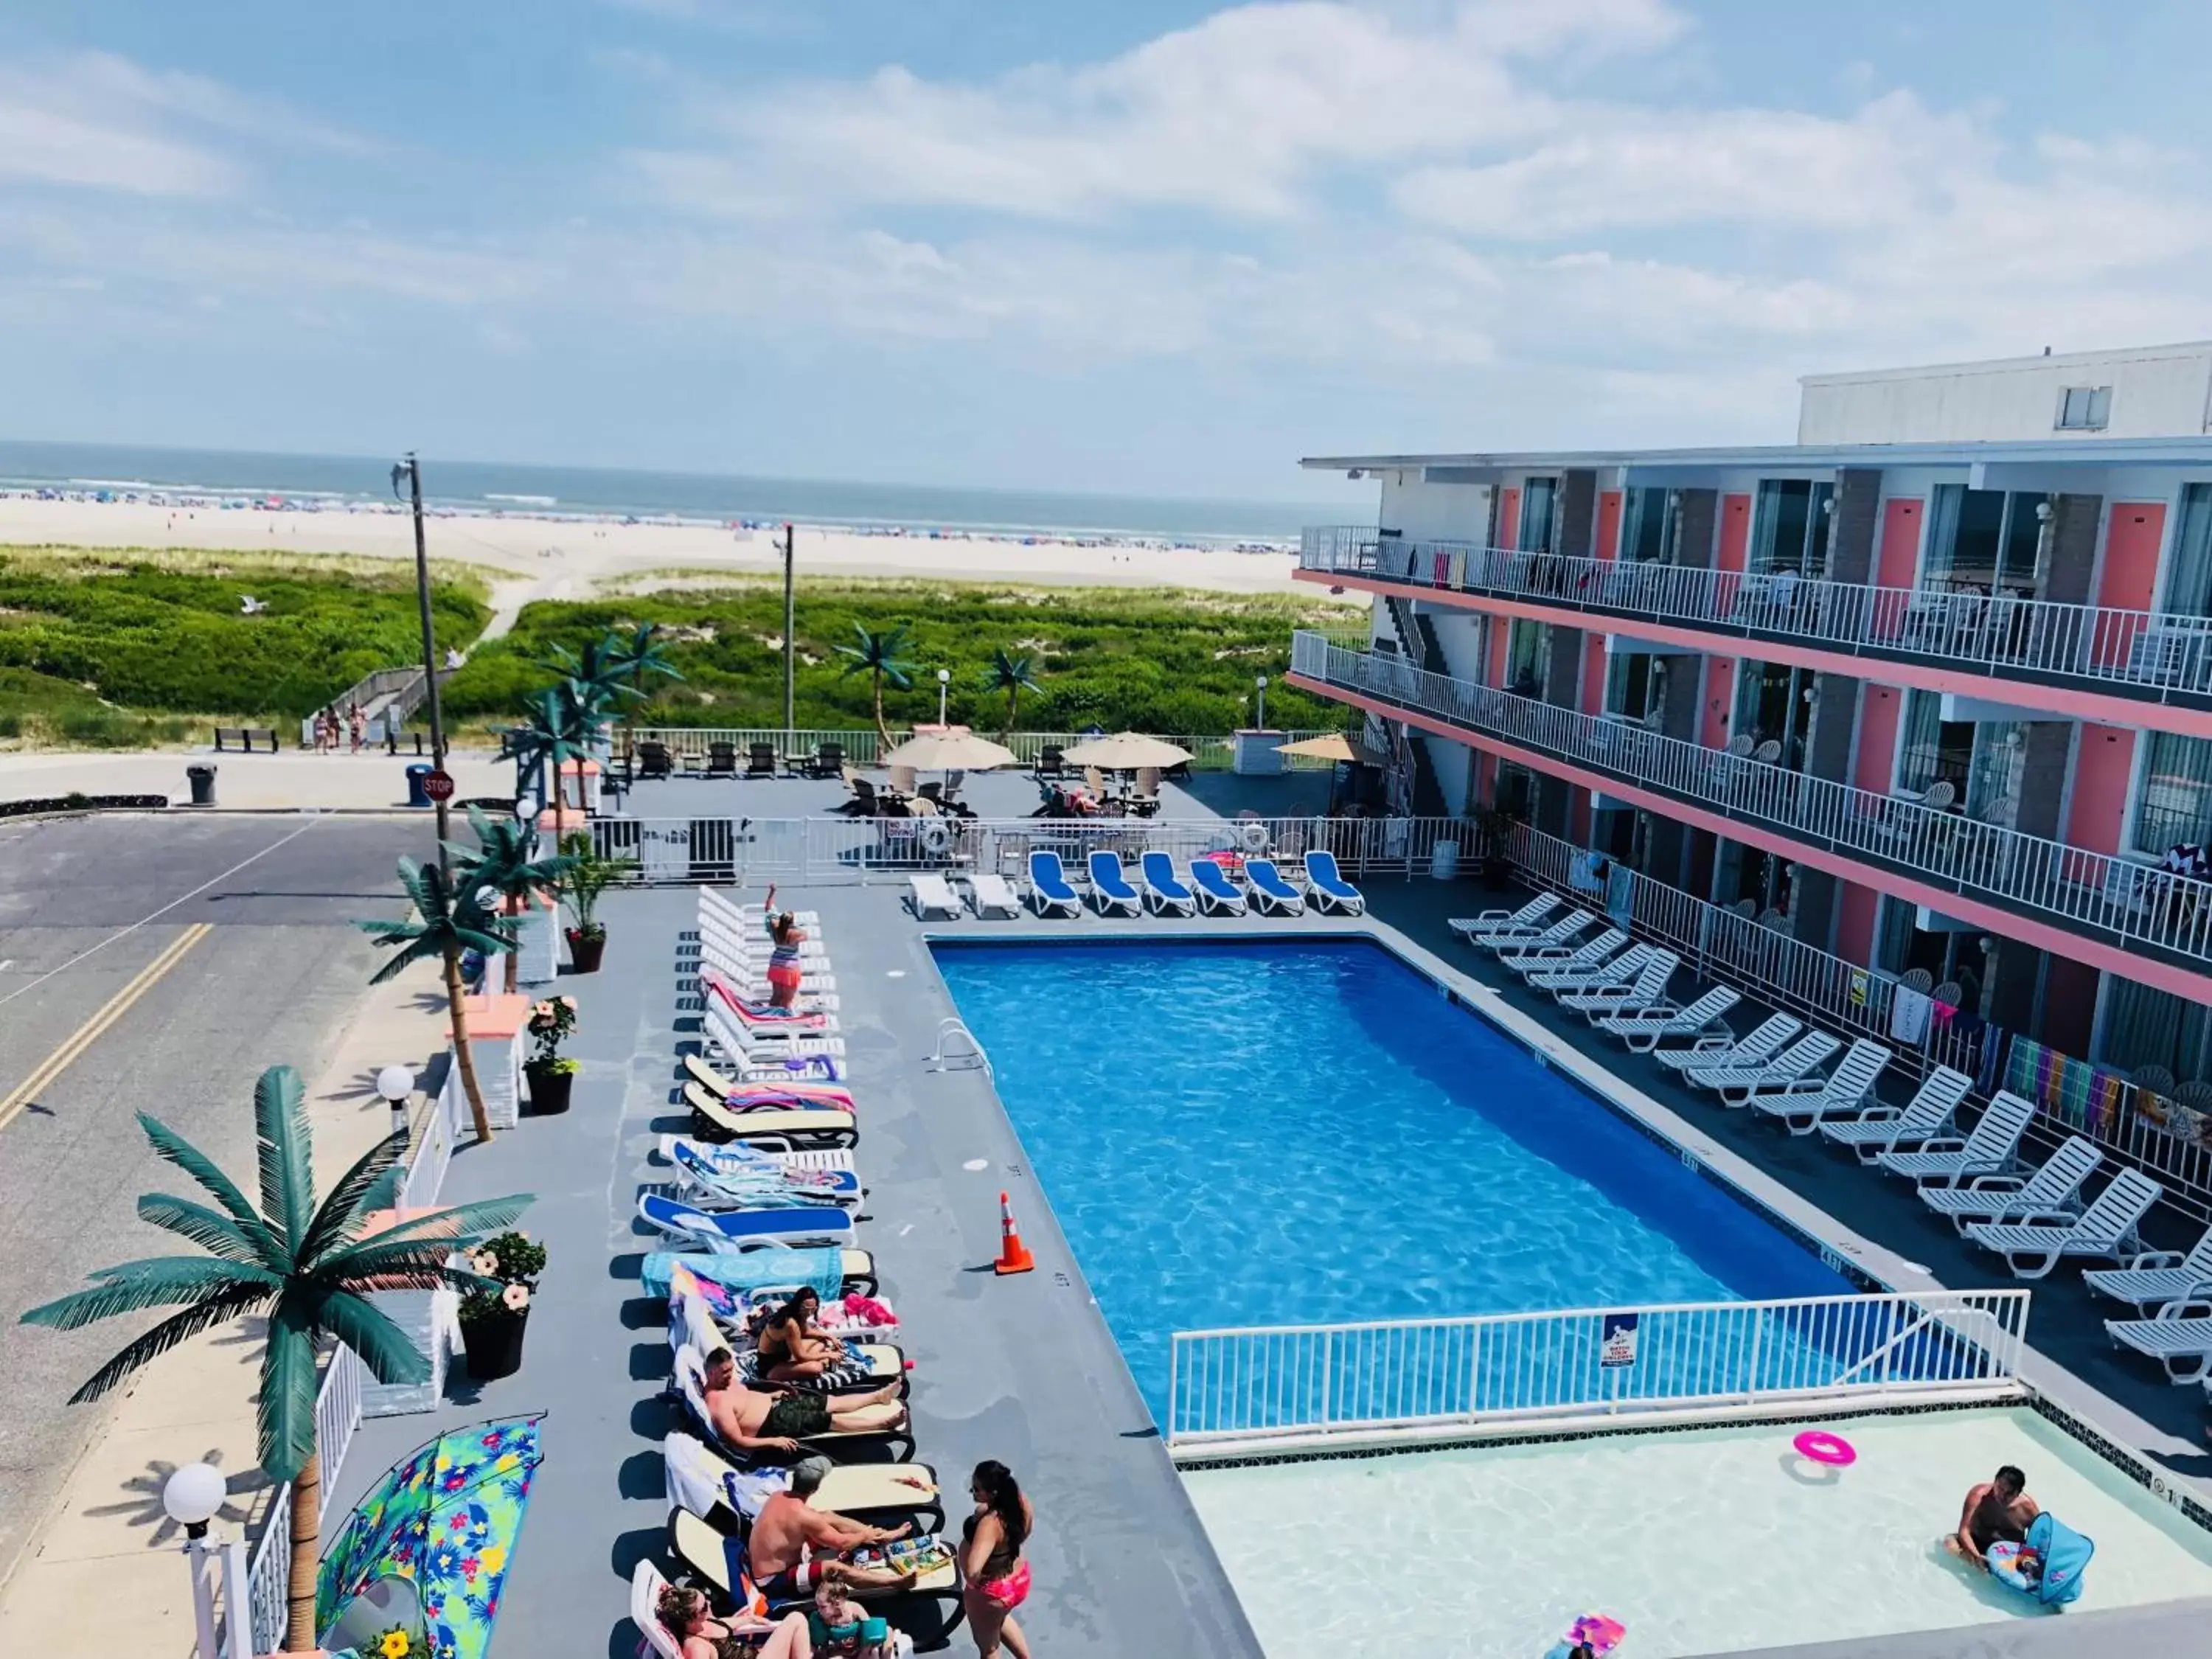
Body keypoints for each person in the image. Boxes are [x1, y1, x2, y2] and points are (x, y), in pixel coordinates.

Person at [748, 1458, 918, 1598]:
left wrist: (864, 1535)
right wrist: (864, 1535)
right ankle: (897, 1582)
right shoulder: (804, 1516)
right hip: (772, 1580)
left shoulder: (778, 1496)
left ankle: (882, 1537)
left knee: (827, 1516)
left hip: (773, 1559)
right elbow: (842, 1544)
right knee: (834, 1569)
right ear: (815, 1489)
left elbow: (810, 1522)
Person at [700, 1347, 903, 1458]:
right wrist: (774, 1441)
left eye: (731, 1369)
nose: (730, 1375)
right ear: (711, 1372)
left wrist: (771, 1396)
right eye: (725, 1372)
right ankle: (884, 1424)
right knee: (829, 1420)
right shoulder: (718, 1405)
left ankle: (878, 1396)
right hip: (774, 1424)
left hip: (779, 1406)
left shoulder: (728, 1382)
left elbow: (747, 1398)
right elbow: (739, 1442)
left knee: (830, 1402)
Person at [961, 1461, 1033, 1659]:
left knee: (990, 1649)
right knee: (998, 1619)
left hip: (993, 1593)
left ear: (993, 1493)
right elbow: (1025, 1533)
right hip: (1018, 1579)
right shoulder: (1020, 1502)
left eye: (976, 1489)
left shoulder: (990, 1524)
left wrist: (975, 1581)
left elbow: (973, 1570)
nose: (972, 1492)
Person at [656, 1582, 813, 1659]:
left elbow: (730, 1624)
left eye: (707, 1599)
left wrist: (754, 1619)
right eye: (704, 1607)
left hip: (754, 1654)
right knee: (797, 1619)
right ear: (690, 1620)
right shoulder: (696, 1647)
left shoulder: (707, 1622)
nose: (709, 1604)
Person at [1950, 1464, 2039, 1571]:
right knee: (1950, 1544)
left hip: (2008, 1554)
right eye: (2000, 1488)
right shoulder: (1978, 1496)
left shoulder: (2028, 1509)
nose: (2002, 1495)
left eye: (2009, 1493)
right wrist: (1976, 1556)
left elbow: (2038, 1542)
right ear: (1995, 1481)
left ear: (2018, 1493)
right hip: (1977, 1543)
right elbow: (1964, 1530)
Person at [757, 1288, 857, 1382]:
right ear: (798, 1305)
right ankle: (824, 1361)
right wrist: (828, 1355)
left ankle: (823, 1359)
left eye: (812, 1310)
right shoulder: (790, 1323)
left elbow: (806, 1332)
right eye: (805, 1309)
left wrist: (830, 1337)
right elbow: (801, 1357)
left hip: (786, 1355)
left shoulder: (797, 1314)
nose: (808, 1313)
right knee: (816, 1368)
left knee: (821, 1342)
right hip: (771, 1367)